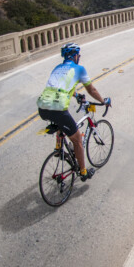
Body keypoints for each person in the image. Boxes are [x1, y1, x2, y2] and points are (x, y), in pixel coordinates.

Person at [37, 42, 111, 182]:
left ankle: (59, 148)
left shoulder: (57, 68)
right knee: (77, 139)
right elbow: (92, 90)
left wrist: (76, 95)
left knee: (60, 122)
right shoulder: (79, 69)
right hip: (58, 109)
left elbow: (60, 87)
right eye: (79, 55)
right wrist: (103, 101)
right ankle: (83, 172)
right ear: (76, 56)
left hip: (42, 108)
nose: (79, 57)